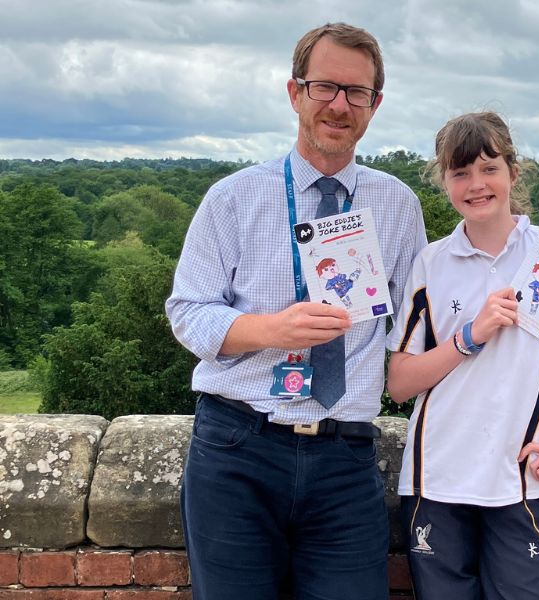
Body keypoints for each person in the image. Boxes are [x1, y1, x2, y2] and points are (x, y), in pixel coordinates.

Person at [166, 22, 426, 600]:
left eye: (356, 92)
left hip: (345, 458)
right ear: (295, 93)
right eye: (325, 87)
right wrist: (272, 329)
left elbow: (415, 329)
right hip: (238, 452)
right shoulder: (233, 198)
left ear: (374, 105)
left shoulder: (399, 205)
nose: (340, 104)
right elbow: (187, 312)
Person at [386, 112, 539, 600]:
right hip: (433, 482)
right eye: (460, 173)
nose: (476, 185)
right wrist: (469, 335)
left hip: (520, 486)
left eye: (489, 169)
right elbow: (399, 383)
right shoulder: (430, 262)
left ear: (513, 173)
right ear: (443, 181)